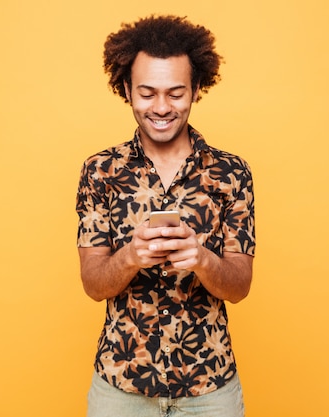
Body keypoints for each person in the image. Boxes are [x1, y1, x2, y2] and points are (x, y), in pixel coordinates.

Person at [76, 14, 255, 417]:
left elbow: (240, 286)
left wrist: (204, 261)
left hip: (210, 387)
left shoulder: (232, 173)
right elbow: (92, 283)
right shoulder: (99, 171)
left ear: (195, 90)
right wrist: (129, 258)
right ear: (126, 89)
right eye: (147, 92)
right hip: (121, 386)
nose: (161, 107)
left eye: (175, 93)